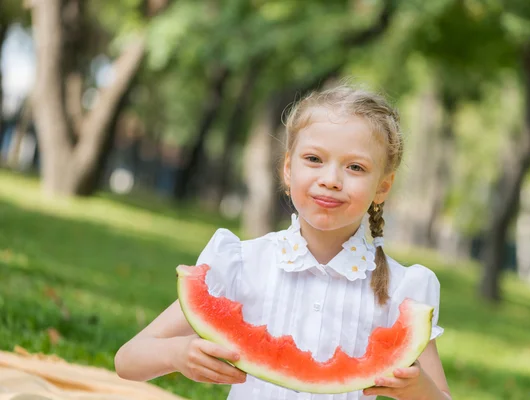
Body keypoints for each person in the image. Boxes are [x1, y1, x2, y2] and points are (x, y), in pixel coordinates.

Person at [115, 85, 452, 400]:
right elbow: (127, 359)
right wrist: (176, 354)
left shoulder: (402, 289)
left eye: (355, 167)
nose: (331, 180)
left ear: (382, 187)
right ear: (288, 169)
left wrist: (418, 387)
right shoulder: (242, 264)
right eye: (314, 160)